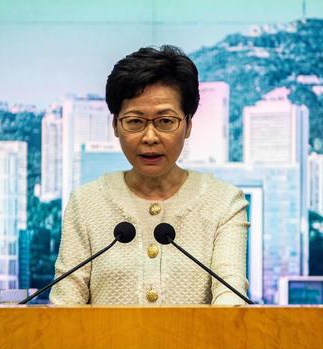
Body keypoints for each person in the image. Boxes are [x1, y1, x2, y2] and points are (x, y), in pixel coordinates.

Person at [49, 45, 249, 305]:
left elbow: (230, 298)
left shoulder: (224, 202)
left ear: (188, 125)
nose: (150, 137)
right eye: (135, 121)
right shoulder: (86, 203)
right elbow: (66, 305)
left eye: (165, 121)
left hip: (193, 347)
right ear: (115, 126)